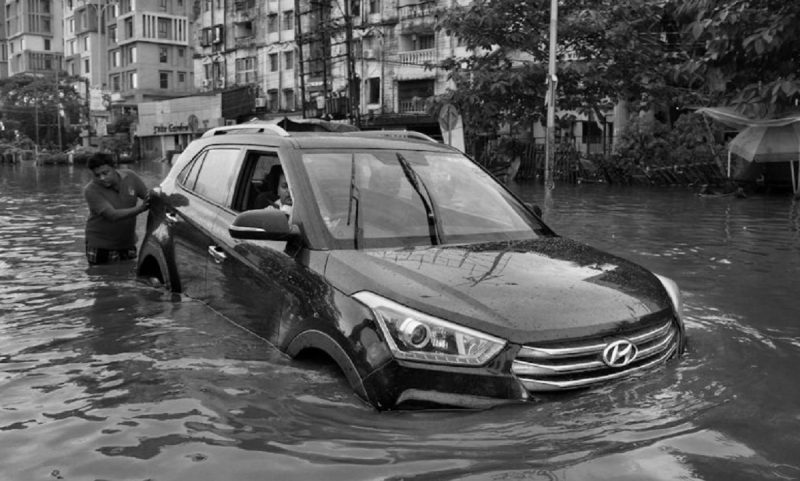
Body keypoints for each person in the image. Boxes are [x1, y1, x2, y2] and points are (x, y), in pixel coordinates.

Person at [83, 152, 151, 265]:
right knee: (102, 278)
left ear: (114, 167)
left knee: (128, 277)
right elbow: (112, 215)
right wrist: (141, 208)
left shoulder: (130, 177)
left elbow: (149, 197)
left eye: (105, 173)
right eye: (97, 175)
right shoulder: (91, 190)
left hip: (127, 243)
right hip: (101, 246)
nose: (102, 178)